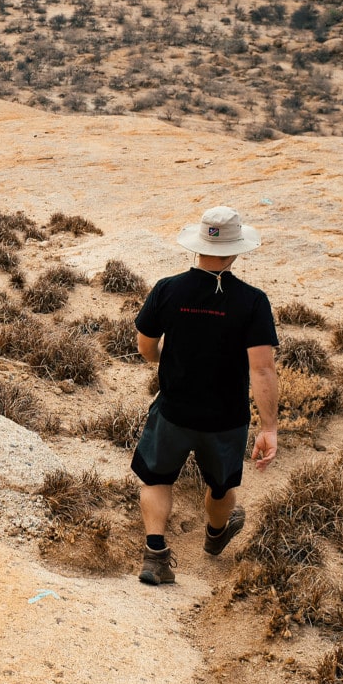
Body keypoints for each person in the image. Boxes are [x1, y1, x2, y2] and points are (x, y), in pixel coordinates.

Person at [131, 205, 279, 586]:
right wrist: (270, 428)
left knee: (156, 479)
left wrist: (163, 359)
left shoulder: (168, 289)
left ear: (198, 246)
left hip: (174, 409)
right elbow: (262, 368)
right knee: (222, 486)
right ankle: (215, 535)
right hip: (225, 418)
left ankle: (155, 557)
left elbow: (145, 345)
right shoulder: (253, 301)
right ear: (236, 251)